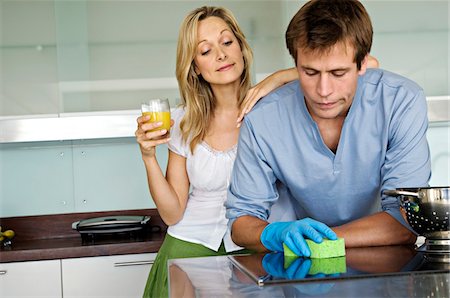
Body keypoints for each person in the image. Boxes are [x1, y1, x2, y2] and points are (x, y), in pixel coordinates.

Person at [226, 0, 431, 258]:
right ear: (295, 65)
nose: (324, 91)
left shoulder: (401, 101)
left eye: (338, 73)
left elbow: (405, 221)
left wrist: (319, 242)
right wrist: (274, 233)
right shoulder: (262, 120)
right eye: (310, 72)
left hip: (385, 263)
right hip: (297, 273)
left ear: (363, 63)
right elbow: (241, 222)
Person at [135, 6, 300, 298]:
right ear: (195, 66)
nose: (221, 55)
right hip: (189, 248)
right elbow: (173, 213)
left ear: (241, 48)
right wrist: (149, 158)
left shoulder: (276, 107)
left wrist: (276, 79)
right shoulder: (183, 121)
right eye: (206, 50)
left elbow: (364, 66)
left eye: (227, 42)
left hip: (257, 248)